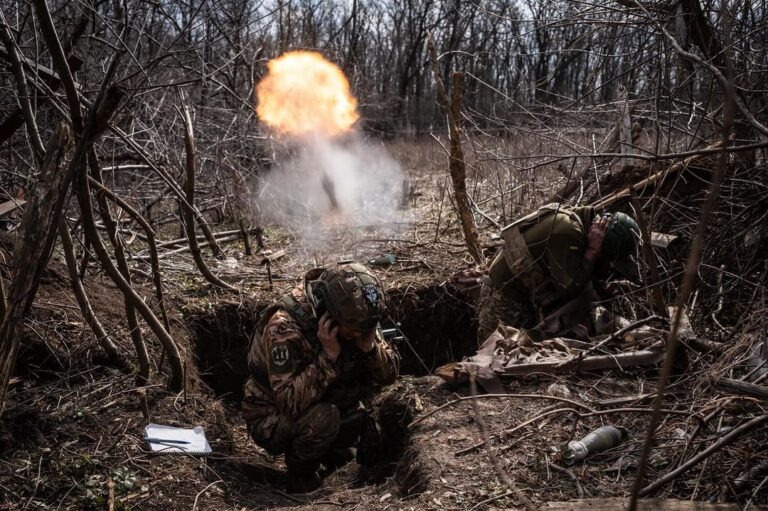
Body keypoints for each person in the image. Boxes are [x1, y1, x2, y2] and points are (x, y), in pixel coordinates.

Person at [242, 263, 400, 493]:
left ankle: (332, 450)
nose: (357, 336)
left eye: (362, 331)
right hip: (270, 414)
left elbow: (389, 376)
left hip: (330, 400)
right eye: (351, 331)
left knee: (363, 422)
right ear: (330, 314)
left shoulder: (359, 315)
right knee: (325, 418)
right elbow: (288, 402)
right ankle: (300, 476)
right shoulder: (284, 327)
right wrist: (328, 356)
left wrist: (370, 349)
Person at [477, 204, 640, 342]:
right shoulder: (569, 231)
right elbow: (569, 288)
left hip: (521, 295)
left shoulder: (580, 222)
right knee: (496, 355)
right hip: (502, 296)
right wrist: (592, 251)